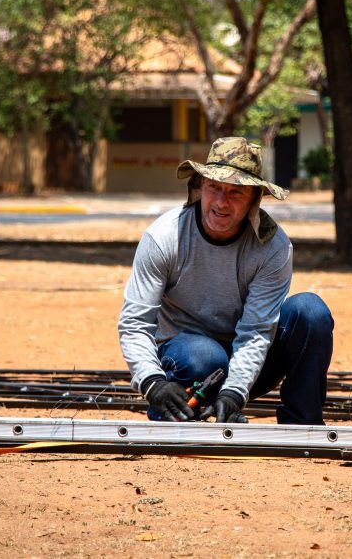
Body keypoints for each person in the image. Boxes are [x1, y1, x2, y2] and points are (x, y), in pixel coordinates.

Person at [118, 136, 334, 425]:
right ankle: (173, 408)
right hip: (188, 361)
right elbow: (135, 323)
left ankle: (302, 426)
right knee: (205, 355)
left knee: (310, 311)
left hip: (247, 364)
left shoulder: (274, 248)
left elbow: (256, 331)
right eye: (214, 188)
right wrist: (153, 383)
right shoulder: (164, 236)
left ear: (254, 200)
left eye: (236, 192)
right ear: (199, 187)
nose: (221, 202)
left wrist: (234, 393)